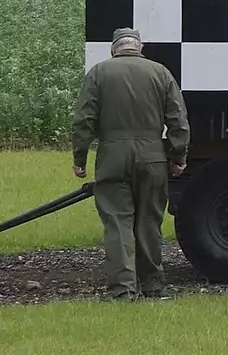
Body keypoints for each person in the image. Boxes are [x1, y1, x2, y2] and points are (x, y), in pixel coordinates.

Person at [71, 27, 191, 301]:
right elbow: (178, 119)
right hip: (152, 156)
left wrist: (80, 158)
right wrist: (178, 156)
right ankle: (153, 287)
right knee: (149, 222)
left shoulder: (99, 73)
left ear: (114, 49)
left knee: (117, 223)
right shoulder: (160, 73)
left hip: (112, 155)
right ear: (140, 47)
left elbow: (83, 120)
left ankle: (123, 291)